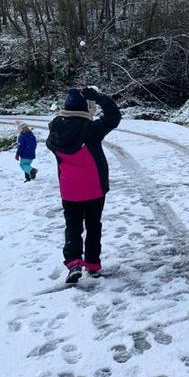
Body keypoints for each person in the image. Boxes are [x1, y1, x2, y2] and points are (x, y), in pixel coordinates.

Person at [46, 87, 122, 283]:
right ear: (85, 108)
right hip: (94, 188)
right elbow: (114, 117)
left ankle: (73, 262)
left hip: (69, 190)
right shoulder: (91, 130)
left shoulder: (55, 131)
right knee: (93, 226)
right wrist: (98, 97)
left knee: (72, 227)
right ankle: (93, 264)